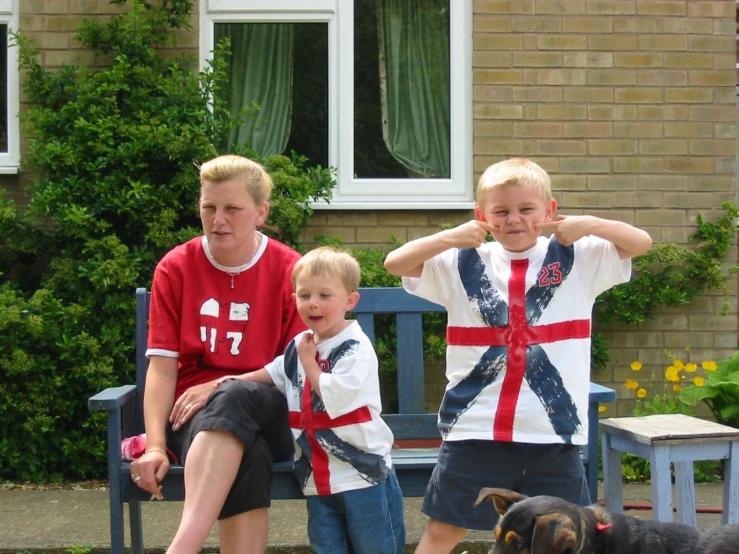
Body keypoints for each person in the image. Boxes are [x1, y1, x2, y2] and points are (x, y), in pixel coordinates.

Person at [384, 158, 652, 554]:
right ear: (482, 216)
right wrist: (450, 237)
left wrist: (590, 224)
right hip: (475, 428)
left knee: (569, 538)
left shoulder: (577, 256)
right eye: (502, 211)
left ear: (549, 211)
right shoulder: (462, 261)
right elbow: (395, 263)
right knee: (443, 532)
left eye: (527, 209)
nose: (515, 220)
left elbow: (640, 242)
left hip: (553, 430)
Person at [129, 154, 307, 554]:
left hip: (270, 406)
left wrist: (223, 383)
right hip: (194, 419)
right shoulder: (175, 267)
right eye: (208, 207)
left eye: (232, 209)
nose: (218, 219)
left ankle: (182, 548)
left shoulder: (289, 269)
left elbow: (293, 366)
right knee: (248, 451)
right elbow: (161, 368)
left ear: (260, 213)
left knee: (234, 396)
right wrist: (156, 446)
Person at [217, 246, 406, 554]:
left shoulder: (354, 348)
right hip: (317, 478)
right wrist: (225, 383)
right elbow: (274, 372)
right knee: (327, 546)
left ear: (349, 300)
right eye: (304, 296)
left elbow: (338, 397)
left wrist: (309, 364)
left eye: (324, 296)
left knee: (376, 547)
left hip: (362, 475)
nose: (313, 304)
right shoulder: (300, 345)